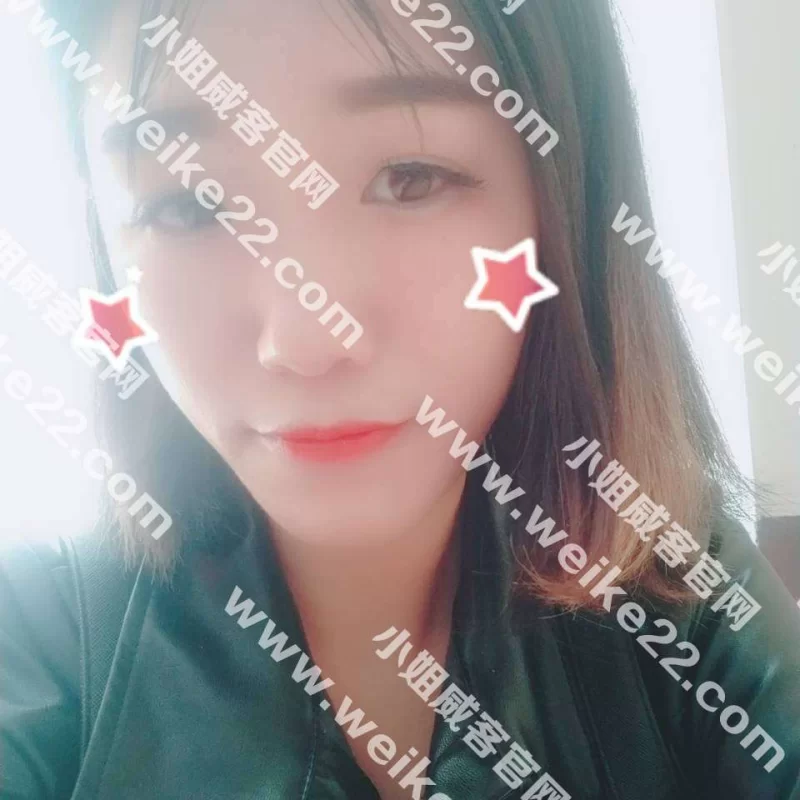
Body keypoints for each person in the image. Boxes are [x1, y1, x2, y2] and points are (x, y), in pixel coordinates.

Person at [1, 1, 799, 798]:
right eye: (188, 203)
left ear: (563, 204)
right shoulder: (44, 644)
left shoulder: (683, 600)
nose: (308, 338)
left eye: (411, 179)